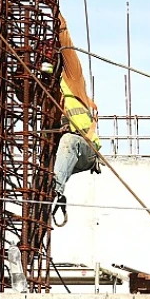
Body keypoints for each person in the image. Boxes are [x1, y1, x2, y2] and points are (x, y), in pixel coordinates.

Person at [52, 16, 102, 226]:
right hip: (65, 156)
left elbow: (66, 44)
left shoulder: (71, 79)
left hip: (86, 149)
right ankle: (49, 193)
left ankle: (55, 188)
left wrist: (57, 17)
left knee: (68, 141)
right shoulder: (47, 95)